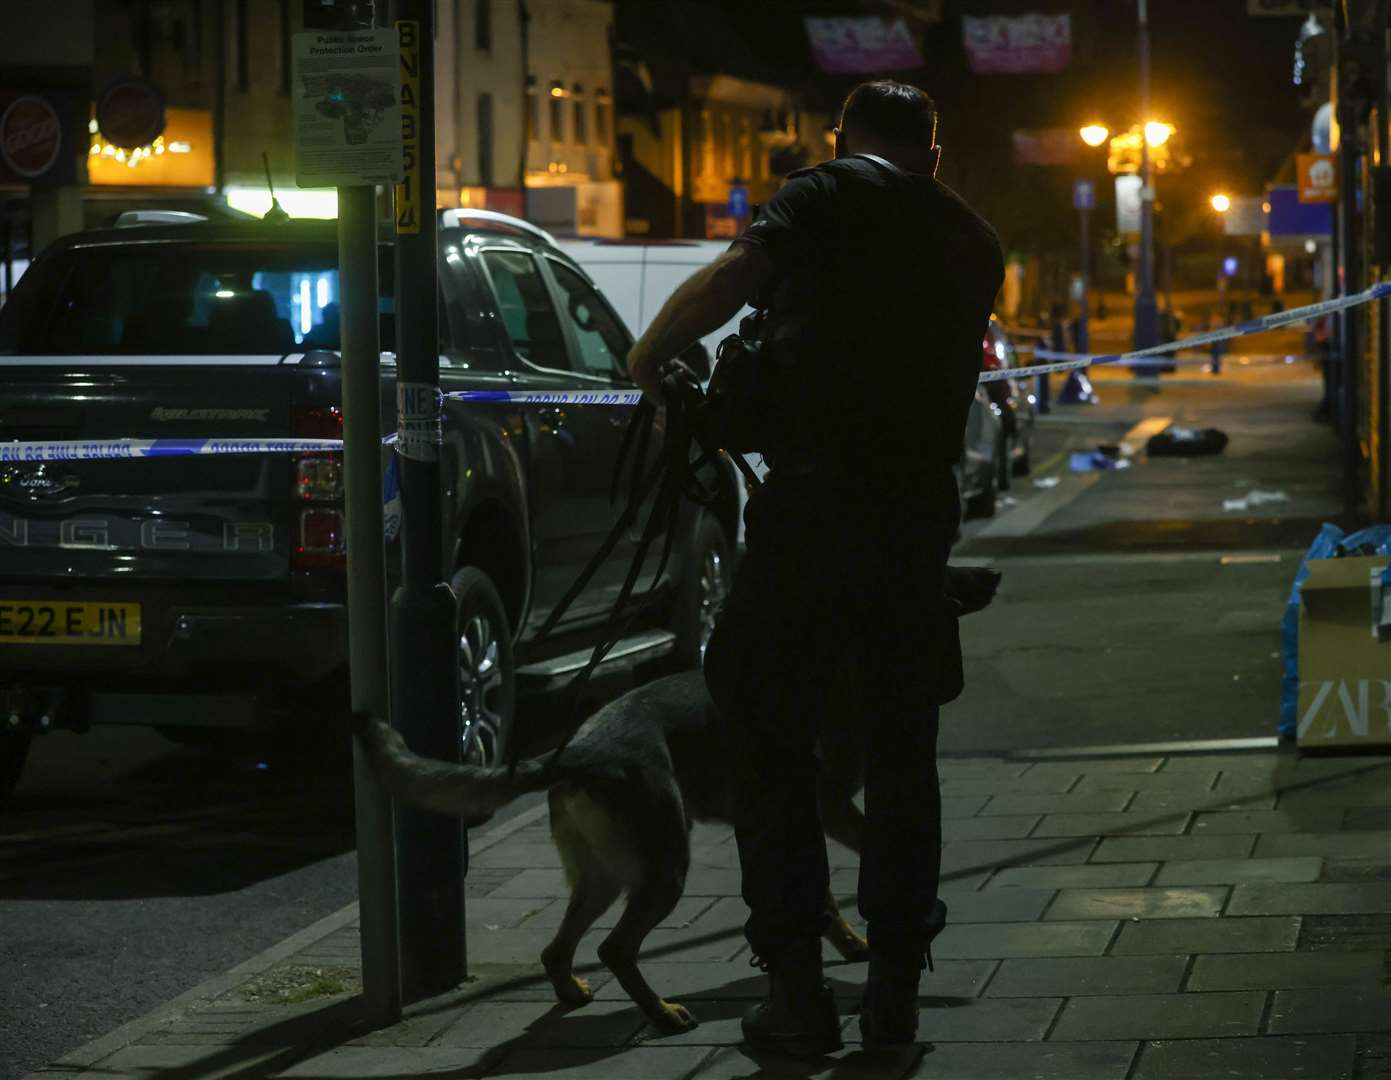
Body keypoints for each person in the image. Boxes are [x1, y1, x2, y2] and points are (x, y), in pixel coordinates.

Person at [626, 80, 1004, 1054]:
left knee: (770, 744)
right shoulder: (972, 239)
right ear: (933, 147)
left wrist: (648, 353)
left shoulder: (820, 193)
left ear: (840, 139)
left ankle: (795, 987)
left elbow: (731, 279)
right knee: (899, 754)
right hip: (913, 523)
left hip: (809, 515)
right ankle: (893, 984)